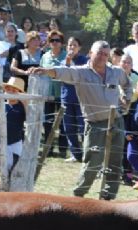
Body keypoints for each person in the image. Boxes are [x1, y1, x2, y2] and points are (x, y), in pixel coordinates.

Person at [29, 40, 132, 200]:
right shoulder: (80, 72)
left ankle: (108, 198)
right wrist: (46, 70)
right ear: (91, 53)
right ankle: (78, 196)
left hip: (116, 122)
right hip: (95, 124)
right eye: (99, 53)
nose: (102, 57)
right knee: (92, 163)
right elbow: (63, 72)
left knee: (115, 162)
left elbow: (127, 84)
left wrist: (126, 99)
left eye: (106, 54)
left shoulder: (116, 72)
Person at [40, 29, 68, 158]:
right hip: (48, 93)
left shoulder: (66, 56)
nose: (55, 43)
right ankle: (48, 148)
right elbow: (41, 73)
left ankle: (63, 149)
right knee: (48, 121)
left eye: (57, 40)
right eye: (52, 40)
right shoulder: (45, 56)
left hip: (62, 93)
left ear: (62, 42)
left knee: (63, 122)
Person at [60, 36, 87, 162]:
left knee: (83, 127)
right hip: (67, 98)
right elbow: (62, 74)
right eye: (70, 45)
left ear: (79, 48)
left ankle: (87, 153)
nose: (71, 47)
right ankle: (75, 154)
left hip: (81, 98)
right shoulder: (64, 61)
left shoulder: (85, 60)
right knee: (69, 127)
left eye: (74, 45)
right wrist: (68, 60)